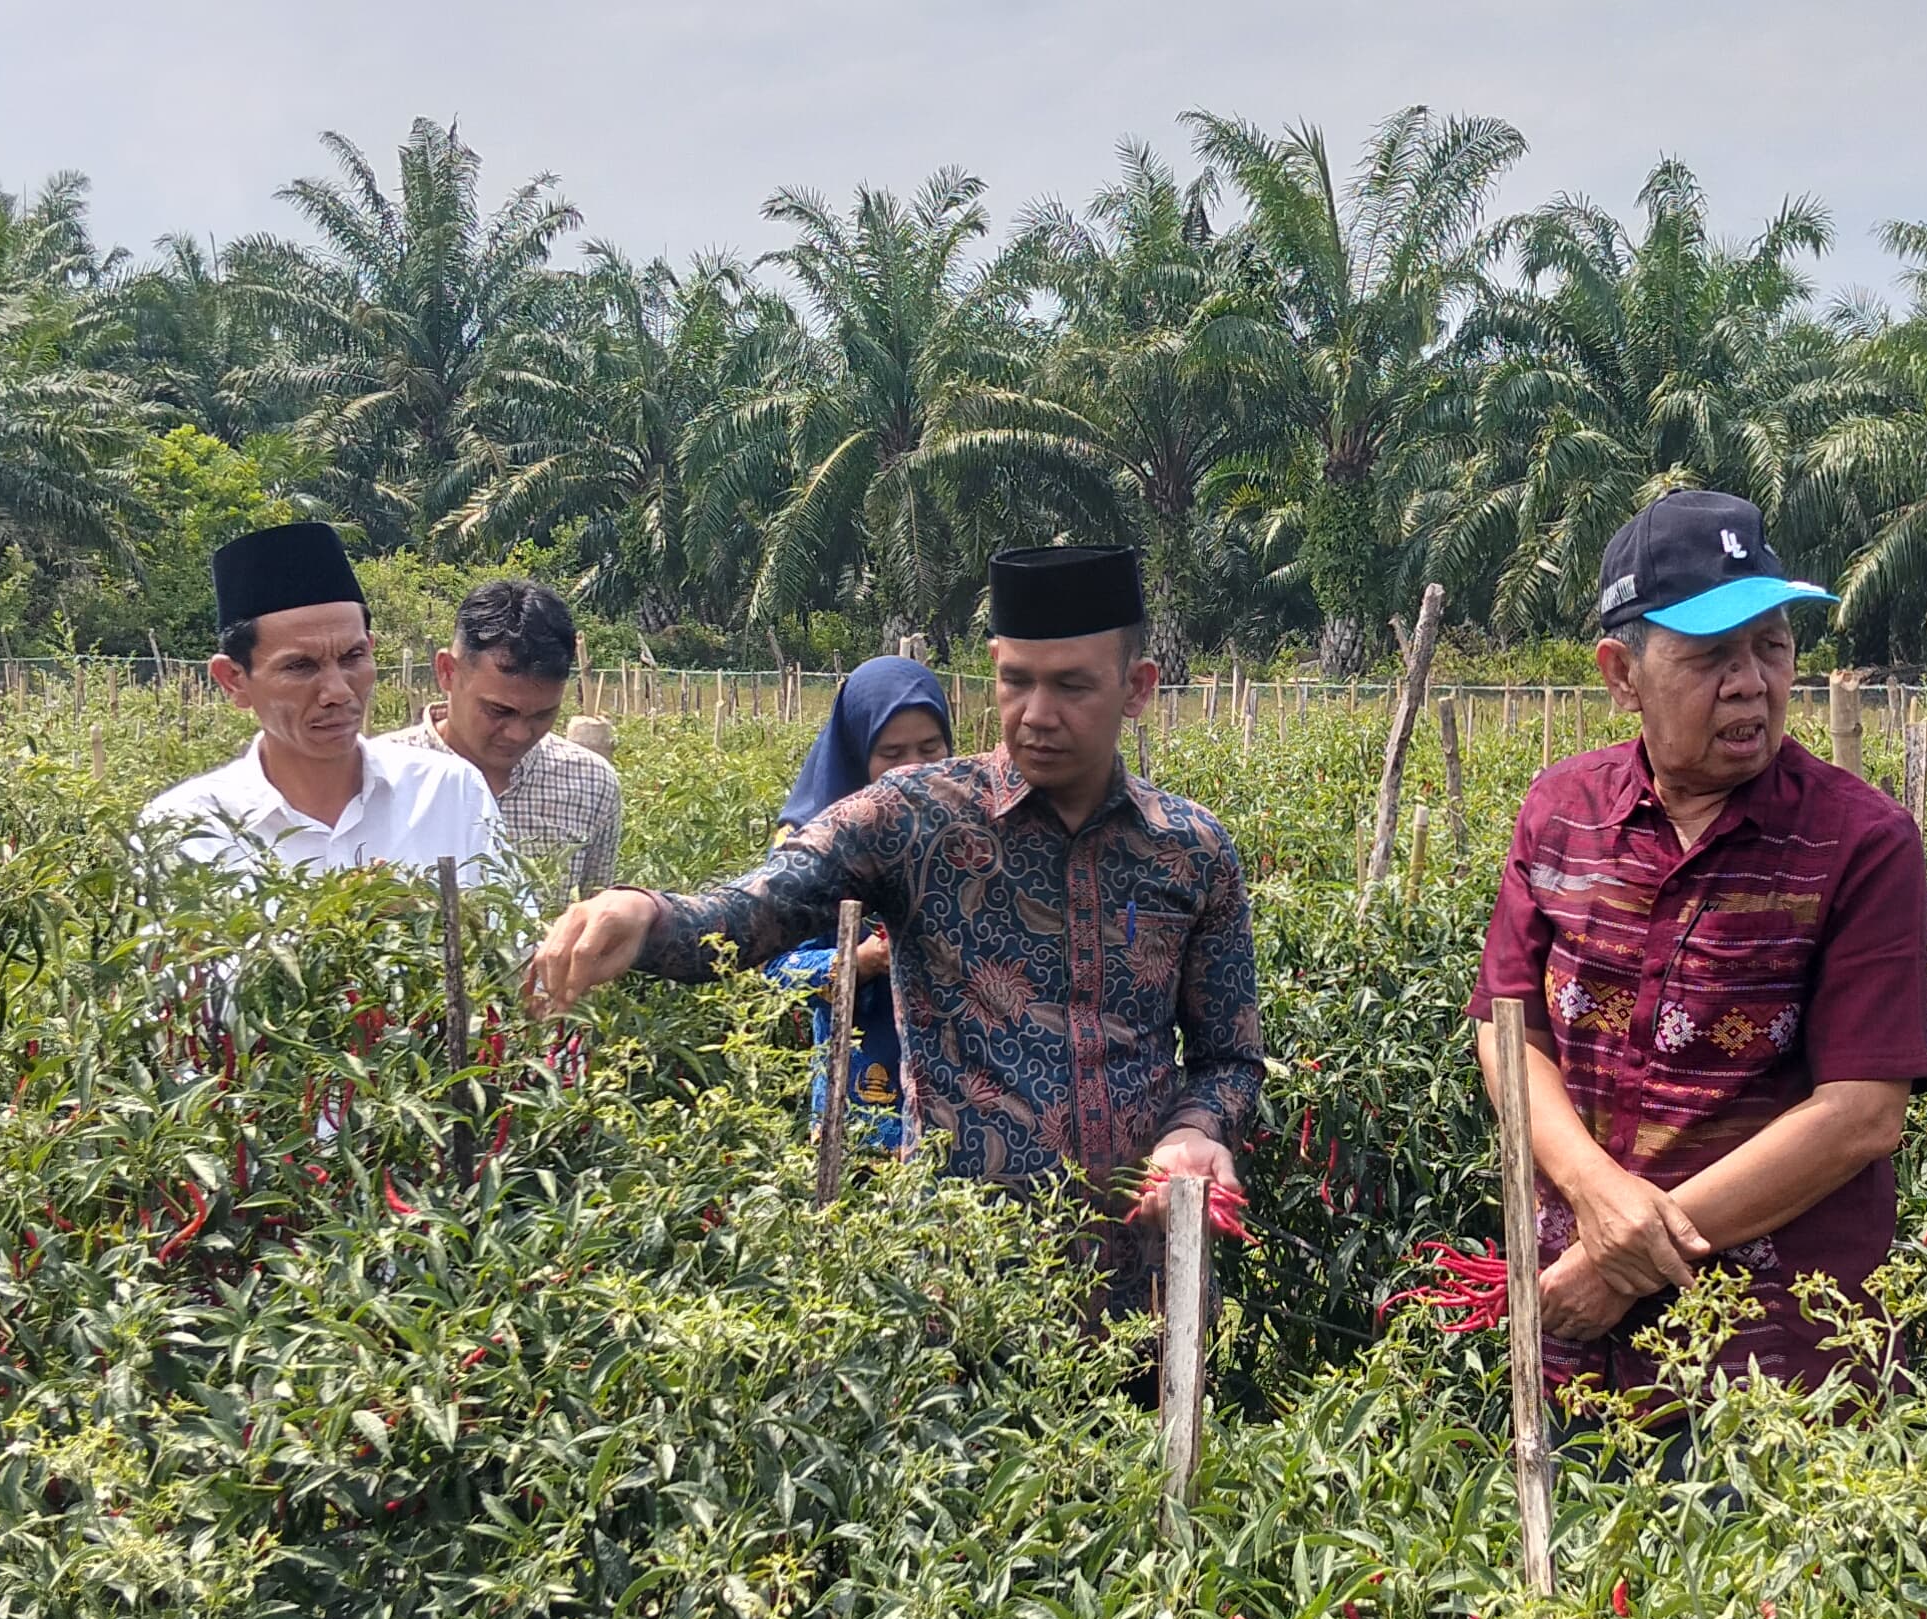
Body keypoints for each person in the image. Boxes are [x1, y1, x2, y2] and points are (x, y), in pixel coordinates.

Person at [523, 545, 1258, 1223]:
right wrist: (644, 912)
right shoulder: (914, 818)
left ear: (1137, 687)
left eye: (1072, 686)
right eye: (1015, 680)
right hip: (958, 1284)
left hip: (1146, 1275)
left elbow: (1229, 1056)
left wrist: (1196, 1130)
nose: (1036, 714)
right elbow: (761, 905)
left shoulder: (1191, 851)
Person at [1468, 489, 1927, 1397]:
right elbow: (1506, 1029)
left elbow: (1862, 1114)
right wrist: (1594, 1196)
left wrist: (1626, 1258)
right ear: (1620, 672)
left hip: (1773, 1364)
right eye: (1711, 654)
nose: (1751, 682)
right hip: (1568, 1332)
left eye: (1772, 644)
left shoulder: (1861, 843)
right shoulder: (1561, 811)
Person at [135, 521, 500, 878]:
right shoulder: (186, 831)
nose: (338, 691)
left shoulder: (450, 794)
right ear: (234, 681)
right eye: (300, 666)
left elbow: (512, 937)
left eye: (352, 658)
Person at [762, 656, 955, 1153]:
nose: (913, 768)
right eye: (891, 753)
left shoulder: (969, 833)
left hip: (959, 1104)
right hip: (859, 1099)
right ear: (855, 755)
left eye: (930, 748)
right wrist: (862, 959)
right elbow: (778, 969)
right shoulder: (809, 847)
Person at [418, 578, 621, 897]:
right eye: (499, 710)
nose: (519, 734)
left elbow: (592, 920)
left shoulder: (590, 783)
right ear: (447, 672)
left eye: (543, 715)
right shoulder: (378, 778)